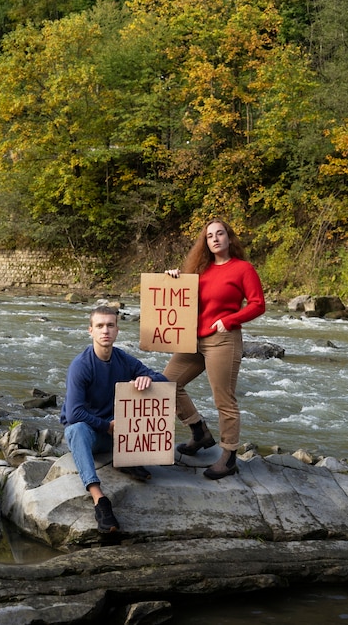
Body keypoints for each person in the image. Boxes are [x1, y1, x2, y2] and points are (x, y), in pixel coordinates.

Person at [164, 217, 265, 480]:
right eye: (210, 236)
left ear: (229, 238)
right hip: (192, 339)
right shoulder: (199, 269)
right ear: (205, 242)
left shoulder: (243, 269)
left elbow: (257, 304)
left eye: (220, 234)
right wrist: (173, 279)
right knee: (167, 383)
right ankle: (199, 431)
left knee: (224, 399)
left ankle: (229, 455)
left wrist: (229, 320)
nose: (215, 239)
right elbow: (181, 298)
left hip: (223, 339)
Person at [60, 305, 167, 533]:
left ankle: (126, 460)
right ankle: (100, 500)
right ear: (90, 331)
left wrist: (146, 379)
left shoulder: (122, 359)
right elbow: (73, 414)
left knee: (145, 397)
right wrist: (106, 426)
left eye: (110, 325)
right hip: (90, 434)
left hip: (117, 433)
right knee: (75, 429)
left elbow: (162, 378)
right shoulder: (81, 365)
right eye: (99, 326)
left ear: (117, 330)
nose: (105, 331)